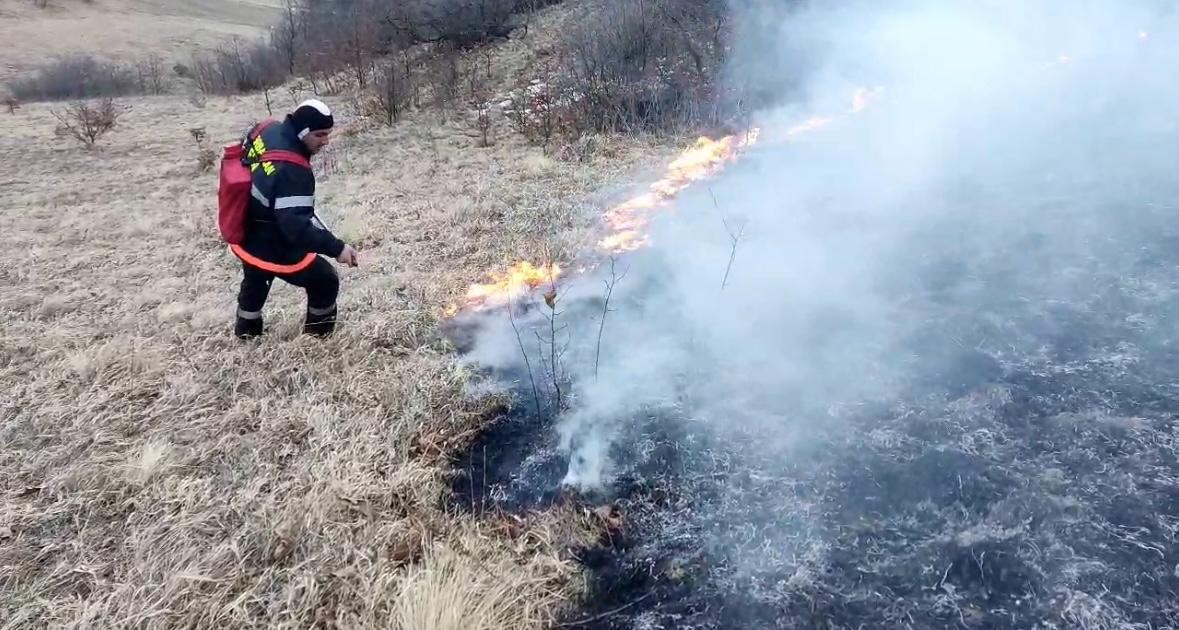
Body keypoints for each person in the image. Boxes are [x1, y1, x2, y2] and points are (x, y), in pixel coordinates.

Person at [231, 99, 360, 339]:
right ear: (302, 131)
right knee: (324, 280)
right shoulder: (292, 170)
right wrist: (338, 248)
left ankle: (246, 333)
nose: (326, 141)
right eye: (320, 135)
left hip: (246, 225)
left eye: (328, 134)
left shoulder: (269, 130)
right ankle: (317, 339)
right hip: (270, 238)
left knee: (256, 276)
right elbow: (297, 228)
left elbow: (247, 151)